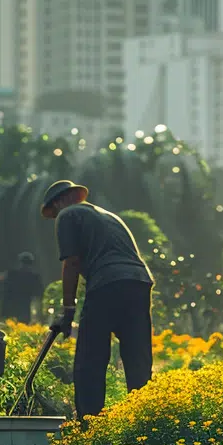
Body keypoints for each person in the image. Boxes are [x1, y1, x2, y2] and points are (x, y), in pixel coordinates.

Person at [41, 179, 153, 421]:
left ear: (59, 202)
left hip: (107, 283)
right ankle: (145, 421)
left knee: (89, 361)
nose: (55, 218)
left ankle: (89, 427)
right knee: (138, 358)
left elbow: (71, 262)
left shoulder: (67, 215)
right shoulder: (109, 216)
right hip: (139, 281)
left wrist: (68, 310)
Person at [0, 251, 44, 324]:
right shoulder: (34, 277)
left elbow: (5, 293)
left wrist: (3, 312)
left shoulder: (12, 274)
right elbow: (39, 293)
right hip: (25, 309)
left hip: (12, 308)